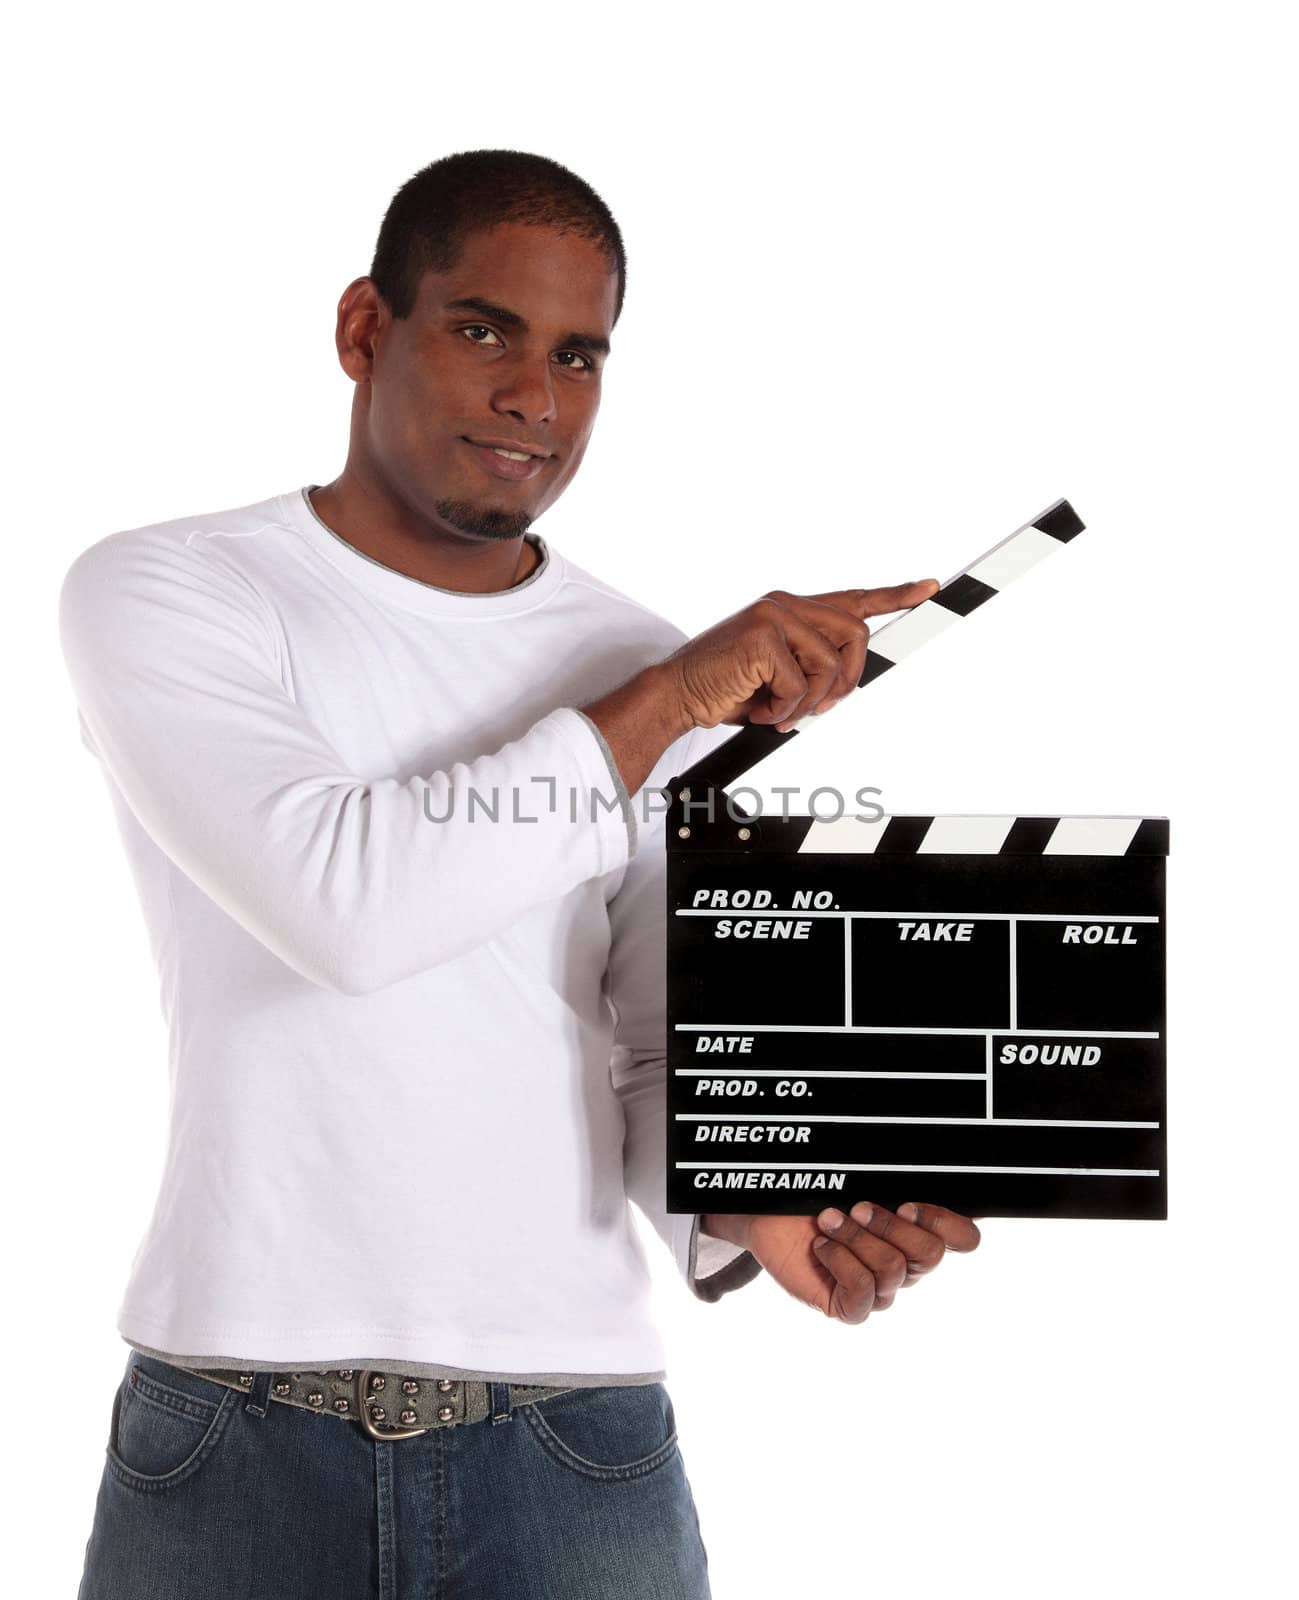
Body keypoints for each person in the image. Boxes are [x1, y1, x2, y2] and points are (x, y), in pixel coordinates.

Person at [60, 148, 981, 1599]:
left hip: (574, 1441)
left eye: (578, 355)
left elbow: (651, 1047)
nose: (534, 400)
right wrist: (668, 702)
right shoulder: (170, 593)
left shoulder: (640, 663)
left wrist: (757, 1207)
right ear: (367, 327)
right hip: (232, 1429)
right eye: (484, 328)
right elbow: (344, 906)